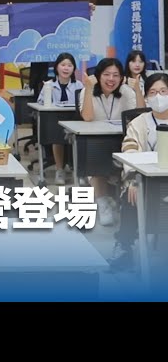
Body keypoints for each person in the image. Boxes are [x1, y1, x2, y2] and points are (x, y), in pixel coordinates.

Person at [108, 73, 168, 270]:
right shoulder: (139, 122)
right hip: (144, 180)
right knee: (132, 196)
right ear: (146, 96)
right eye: (153, 92)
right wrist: (134, 179)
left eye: (163, 91)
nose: (158, 97)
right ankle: (124, 247)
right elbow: (130, 150)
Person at [79, 57, 142, 226]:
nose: (111, 79)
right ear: (98, 76)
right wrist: (88, 88)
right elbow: (87, 117)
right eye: (106, 74)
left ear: (122, 77)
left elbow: (140, 116)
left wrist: (137, 91)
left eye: (116, 75)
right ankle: (103, 203)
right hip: (96, 142)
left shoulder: (126, 91)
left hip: (121, 140)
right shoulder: (87, 91)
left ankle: (120, 198)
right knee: (96, 162)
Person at [36, 53, 84, 185]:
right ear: (56, 67)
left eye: (69, 65)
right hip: (55, 119)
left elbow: (84, 103)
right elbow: (40, 102)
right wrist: (48, 93)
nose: (66, 68)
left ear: (74, 69)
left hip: (74, 118)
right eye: (63, 65)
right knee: (57, 135)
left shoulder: (78, 85)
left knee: (81, 137)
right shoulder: (49, 84)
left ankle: (80, 171)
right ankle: (59, 170)